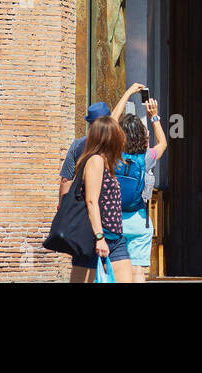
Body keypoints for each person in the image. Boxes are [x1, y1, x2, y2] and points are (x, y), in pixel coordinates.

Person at [74, 115, 133, 283]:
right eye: (119, 134)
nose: (123, 139)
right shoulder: (95, 161)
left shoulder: (107, 162)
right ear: (110, 138)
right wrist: (100, 238)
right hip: (96, 238)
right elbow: (91, 201)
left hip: (115, 237)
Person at [59, 83, 143, 202]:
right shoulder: (108, 144)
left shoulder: (77, 145)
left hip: (78, 205)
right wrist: (128, 93)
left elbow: (65, 181)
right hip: (102, 205)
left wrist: (61, 209)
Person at [117, 97, 168, 283]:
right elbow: (163, 144)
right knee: (137, 271)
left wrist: (127, 95)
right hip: (139, 220)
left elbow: (111, 126)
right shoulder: (146, 157)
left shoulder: (113, 156)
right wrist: (154, 117)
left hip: (114, 220)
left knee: (115, 270)